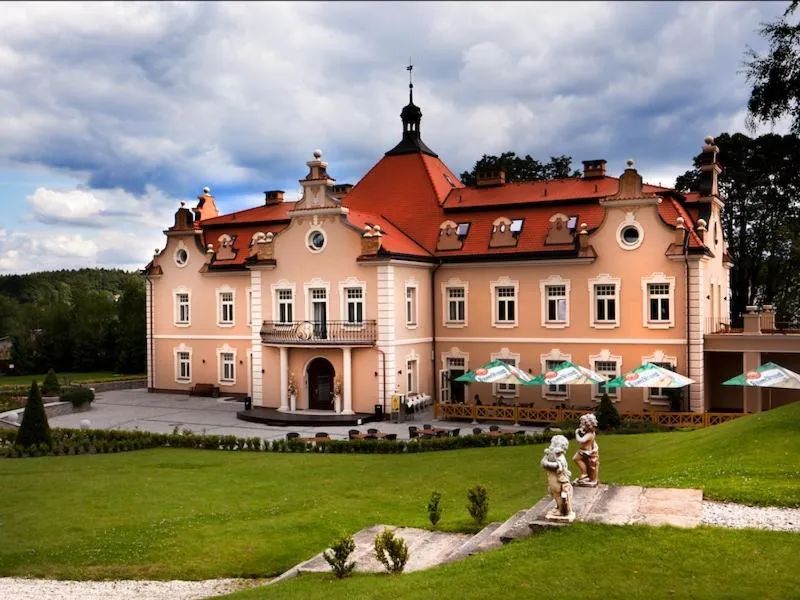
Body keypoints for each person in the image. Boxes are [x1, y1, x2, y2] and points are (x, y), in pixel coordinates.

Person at [540, 435, 574, 519]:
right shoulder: (551, 455)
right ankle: (559, 507)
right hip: (552, 478)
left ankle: (562, 511)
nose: (551, 446)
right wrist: (545, 458)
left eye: (553, 444)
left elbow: (558, 466)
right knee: (554, 494)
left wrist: (546, 464)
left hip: (558, 479)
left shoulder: (560, 457)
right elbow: (542, 462)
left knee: (557, 494)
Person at [573, 413, 599, 486]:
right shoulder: (592, 433)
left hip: (585, 452)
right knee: (577, 459)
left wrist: (576, 434)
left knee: (576, 459)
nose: (581, 426)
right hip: (585, 451)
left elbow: (581, 440)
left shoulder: (589, 434)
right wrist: (595, 448)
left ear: (588, 425)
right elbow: (594, 442)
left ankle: (584, 474)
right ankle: (585, 475)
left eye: (582, 424)